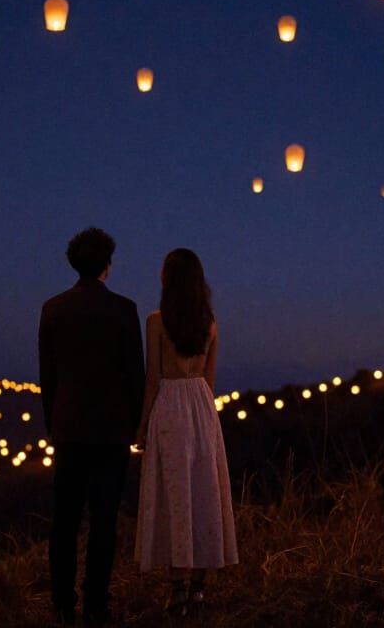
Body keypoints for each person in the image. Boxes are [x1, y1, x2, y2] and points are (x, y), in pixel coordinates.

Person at [39, 227, 145, 626]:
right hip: (111, 430)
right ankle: (96, 602)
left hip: (68, 429)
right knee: (104, 519)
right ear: (107, 264)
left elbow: (47, 376)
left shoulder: (53, 309)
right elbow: (135, 372)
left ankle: (62, 602)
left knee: (64, 521)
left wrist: (54, 422)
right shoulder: (123, 309)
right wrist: (136, 425)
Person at [134, 248, 238, 616]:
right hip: (202, 409)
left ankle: (177, 590)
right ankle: (198, 589)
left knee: (175, 496)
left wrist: (142, 426)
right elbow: (209, 382)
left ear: (167, 279)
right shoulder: (210, 323)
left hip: (170, 408)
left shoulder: (156, 322)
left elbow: (152, 379)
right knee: (203, 493)